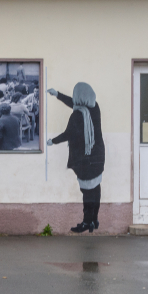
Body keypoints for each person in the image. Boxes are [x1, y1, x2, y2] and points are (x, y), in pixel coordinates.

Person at [47, 83, 106, 233]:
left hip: (85, 160)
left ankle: (87, 222)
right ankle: (94, 220)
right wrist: (57, 94)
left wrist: (52, 141)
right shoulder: (95, 108)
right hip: (98, 156)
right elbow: (74, 103)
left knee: (86, 193)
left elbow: (68, 134)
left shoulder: (77, 116)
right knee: (96, 189)